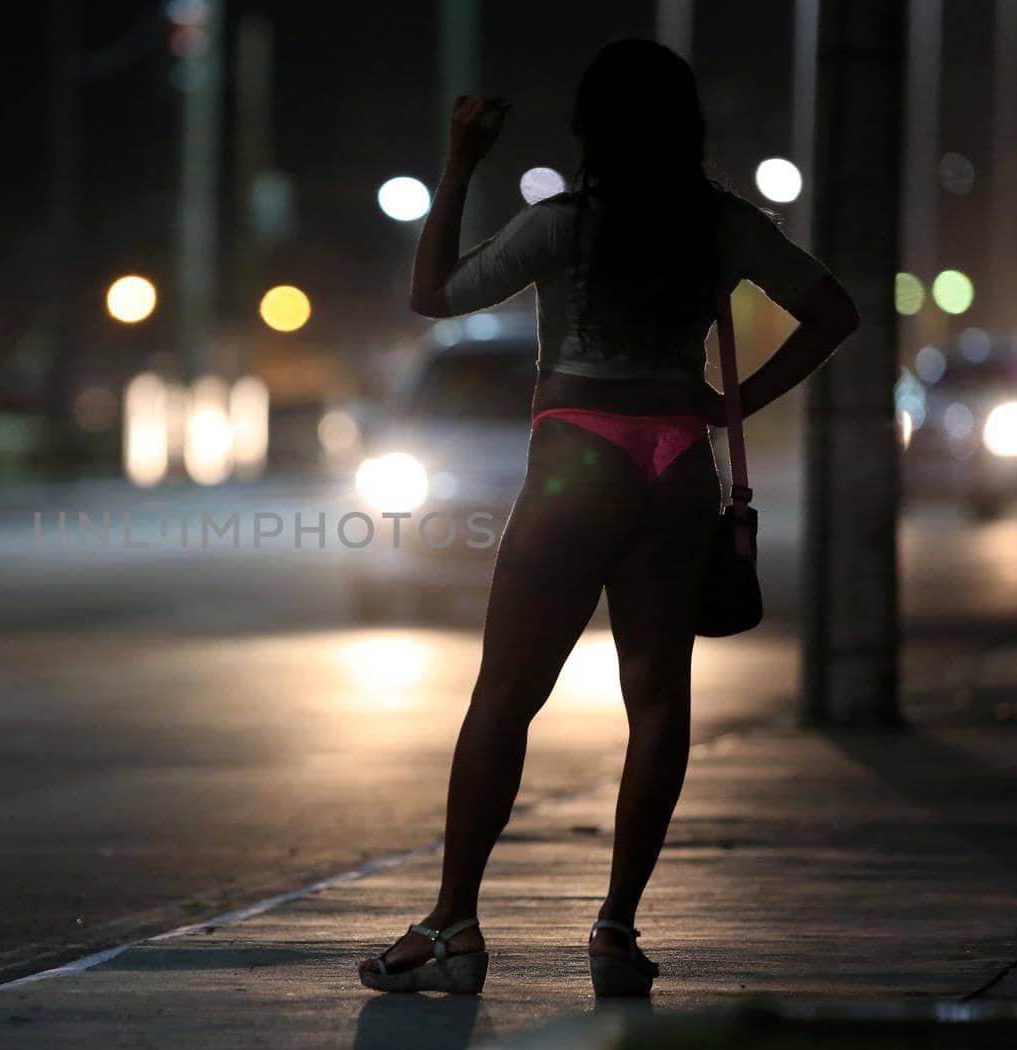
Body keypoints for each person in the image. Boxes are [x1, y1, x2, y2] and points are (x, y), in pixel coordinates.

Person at [357, 38, 859, 997]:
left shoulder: (565, 225)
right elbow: (835, 313)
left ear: (590, 128)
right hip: (678, 462)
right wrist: (732, 403)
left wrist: (461, 160)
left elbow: (432, 295)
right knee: (659, 700)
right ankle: (616, 930)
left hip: (578, 455)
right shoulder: (723, 225)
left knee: (505, 695)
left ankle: (455, 924)